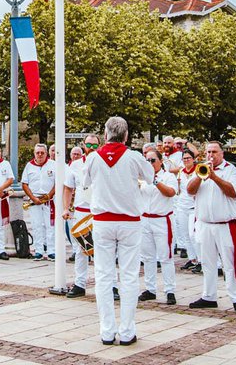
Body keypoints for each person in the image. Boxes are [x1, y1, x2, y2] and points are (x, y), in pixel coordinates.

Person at [82, 116, 151, 346]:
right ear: (126, 135)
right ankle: (127, 330)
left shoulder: (93, 158)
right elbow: (149, 177)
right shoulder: (133, 157)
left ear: (105, 134)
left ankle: (107, 331)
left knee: (103, 275)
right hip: (129, 221)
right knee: (129, 275)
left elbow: (85, 182)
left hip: (102, 220)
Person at [188, 141, 236, 315]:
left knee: (230, 263)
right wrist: (200, 176)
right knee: (207, 262)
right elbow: (189, 190)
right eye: (208, 152)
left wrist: (214, 176)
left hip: (225, 224)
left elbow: (233, 192)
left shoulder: (231, 171)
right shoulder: (200, 169)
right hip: (205, 224)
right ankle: (209, 296)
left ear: (222, 153)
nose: (211, 155)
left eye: (214, 152)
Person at [139, 143, 178, 305]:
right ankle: (150, 288)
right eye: (146, 161)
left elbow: (170, 192)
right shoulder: (141, 178)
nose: (150, 164)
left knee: (166, 256)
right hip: (145, 219)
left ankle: (169, 290)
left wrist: (154, 180)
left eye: (152, 160)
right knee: (147, 257)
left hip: (162, 219)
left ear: (160, 161)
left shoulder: (168, 176)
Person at [62, 133, 100, 297]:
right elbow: (68, 188)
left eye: (94, 145)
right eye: (88, 144)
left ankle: (109, 285)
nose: (91, 148)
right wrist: (66, 208)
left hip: (99, 212)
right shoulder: (75, 165)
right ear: (83, 145)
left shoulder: (104, 163)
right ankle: (80, 284)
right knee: (80, 250)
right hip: (81, 211)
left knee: (103, 250)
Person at [21, 143, 56, 260]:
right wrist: (33, 198)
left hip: (49, 200)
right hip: (34, 200)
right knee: (37, 225)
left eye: (42, 153)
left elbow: (58, 183)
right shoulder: (29, 166)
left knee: (50, 226)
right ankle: (39, 251)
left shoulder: (53, 165)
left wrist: (48, 196)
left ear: (46, 153)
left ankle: (51, 251)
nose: (40, 155)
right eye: (38, 153)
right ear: (34, 153)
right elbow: (24, 184)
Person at [175, 149, 202, 271]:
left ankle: (201, 260)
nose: (186, 161)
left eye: (188, 158)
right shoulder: (181, 171)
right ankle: (192, 259)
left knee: (193, 235)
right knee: (185, 234)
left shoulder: (198, 171)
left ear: (193, 159)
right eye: (184, 158)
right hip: (182, 206)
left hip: (194, 206)